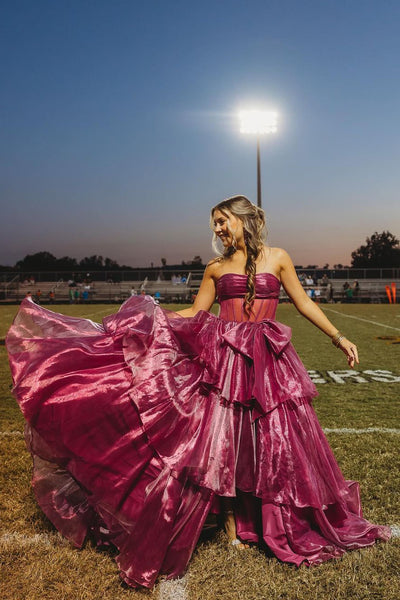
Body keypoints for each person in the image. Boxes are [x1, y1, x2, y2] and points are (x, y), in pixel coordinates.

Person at [6, 196, 390, 589]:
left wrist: (338, 336)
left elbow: (304, 300)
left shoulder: (278, 257)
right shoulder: (215, 267)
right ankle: (231, 524)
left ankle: (277, 518)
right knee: (223, 443)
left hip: (269, 360)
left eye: (223, 222)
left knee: (279, 442)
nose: (217, 230)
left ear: (244, 220)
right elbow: (196, 312)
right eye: (214, 224)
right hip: (224, 359)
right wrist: (151, 317)